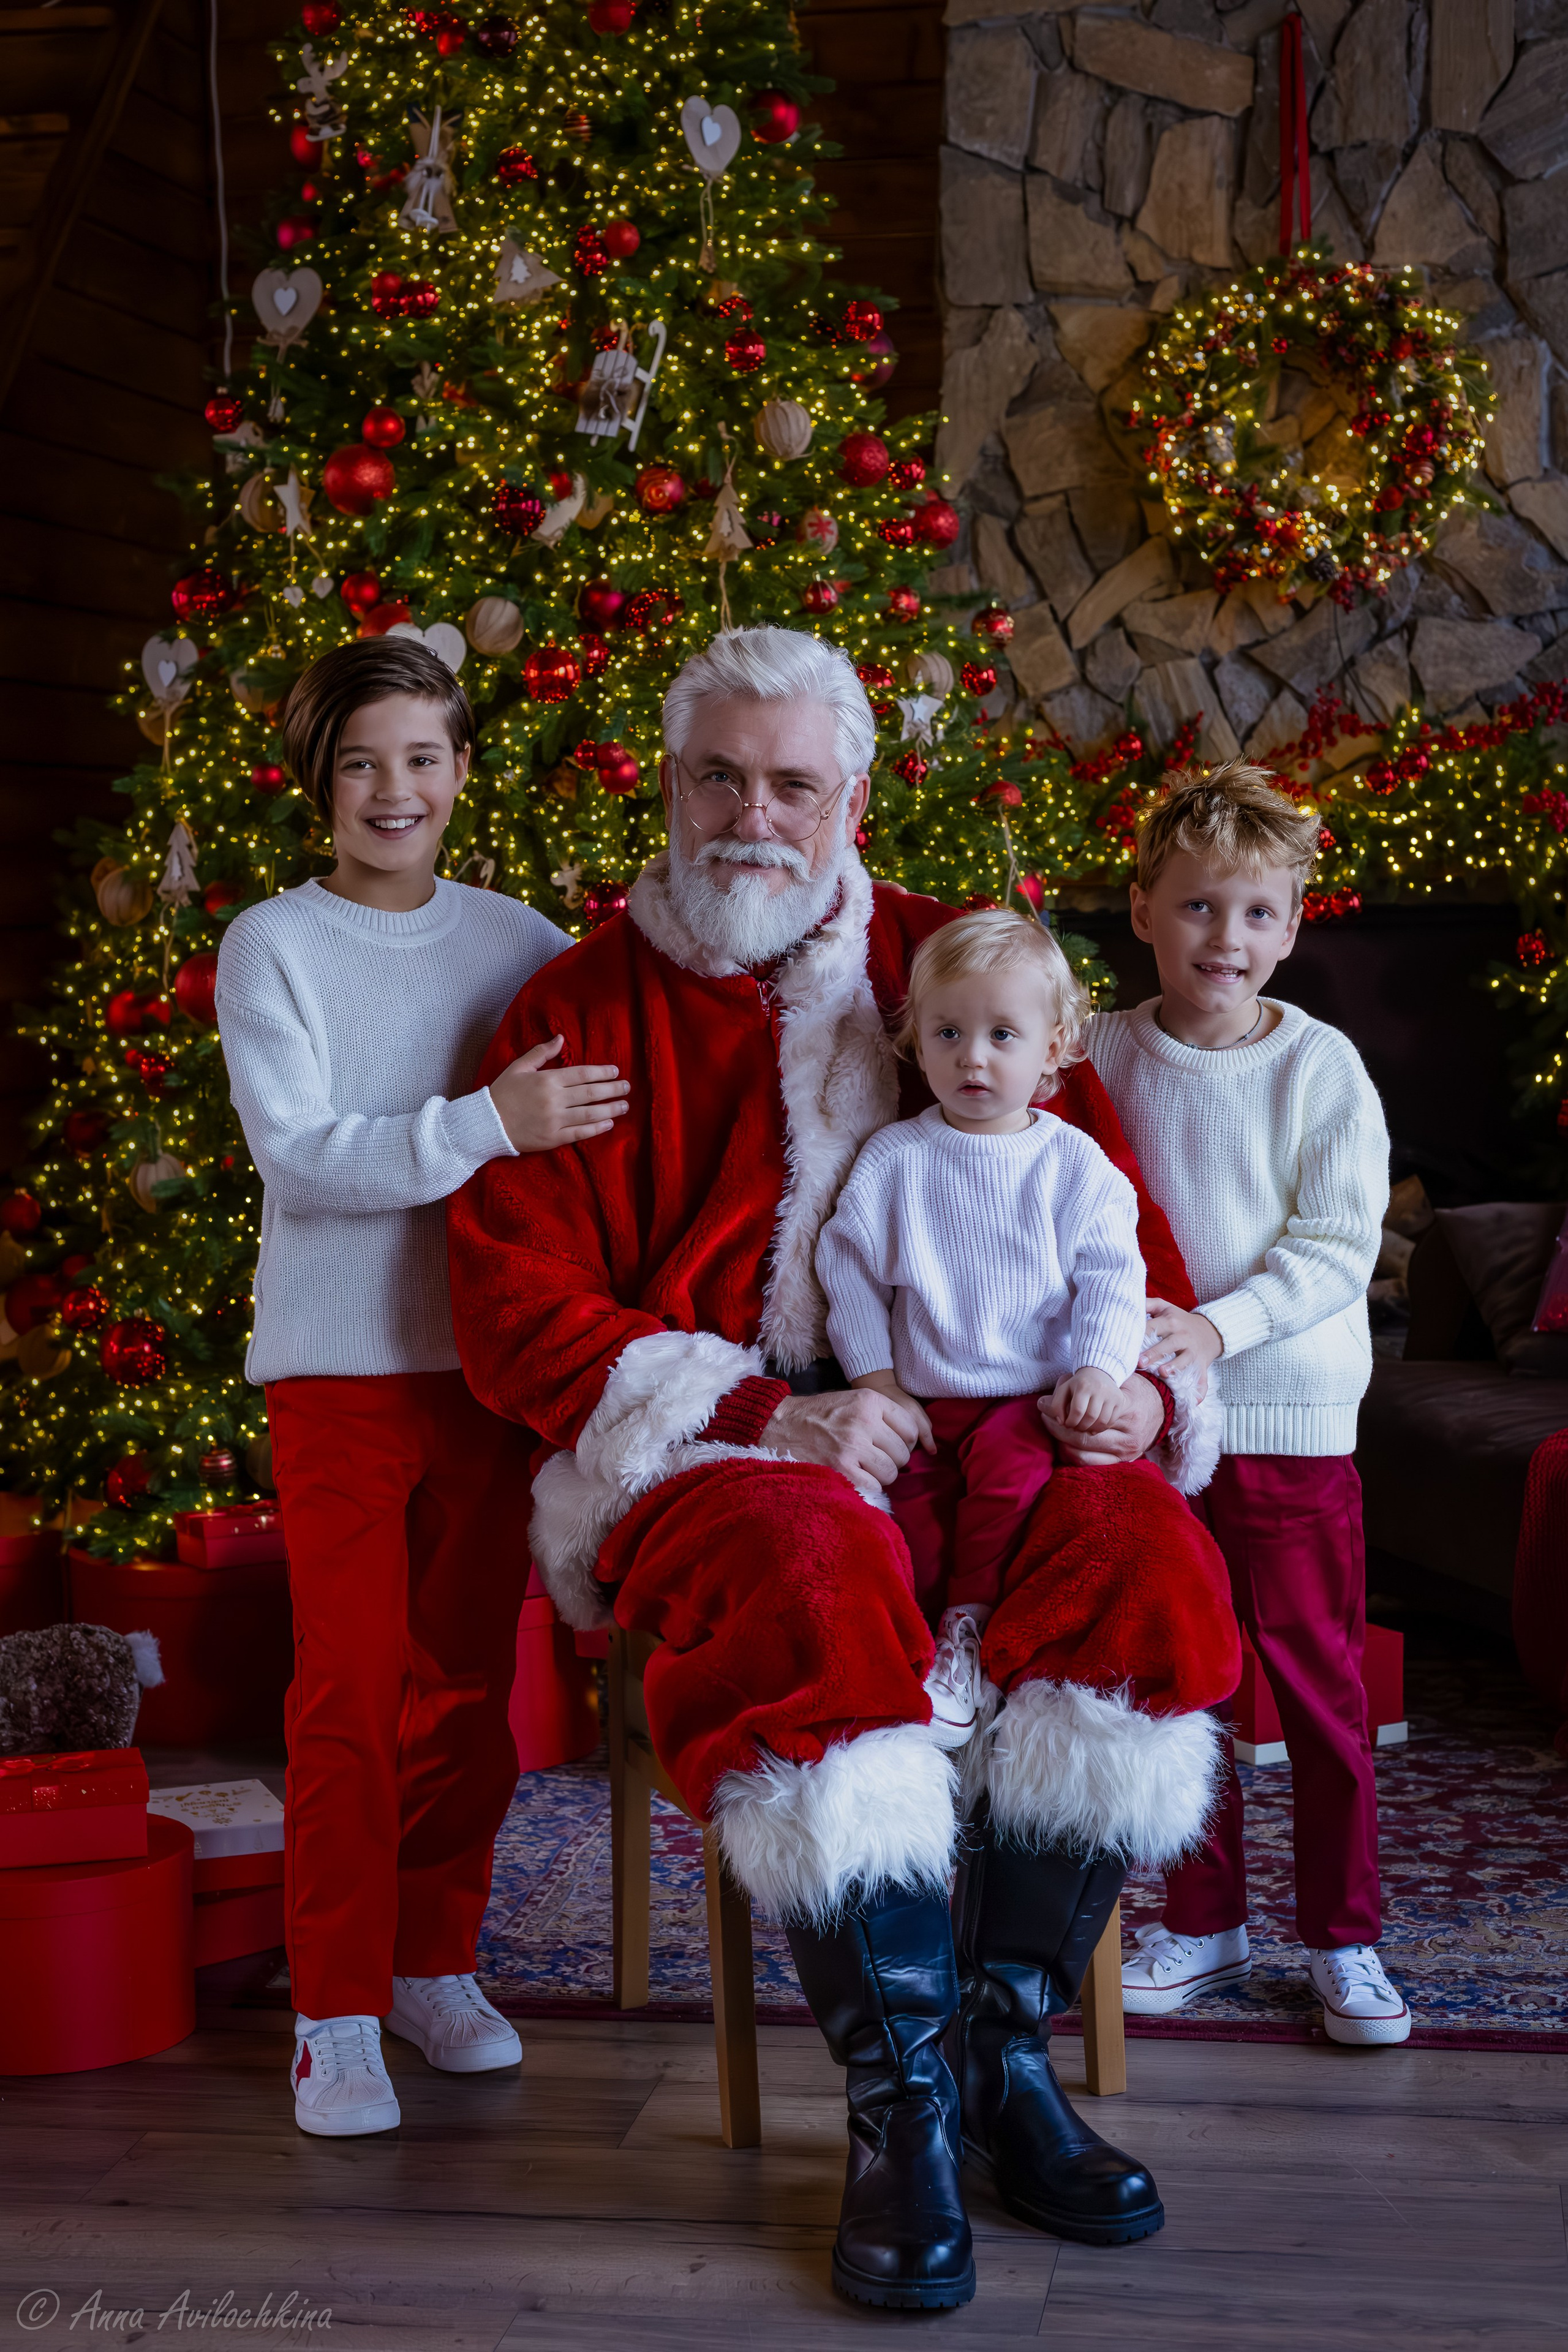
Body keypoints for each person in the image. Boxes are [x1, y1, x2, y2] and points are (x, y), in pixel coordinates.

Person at [448, 625, 1241, 2313]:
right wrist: (756, 1408)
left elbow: (1124, 1237)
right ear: (667, 782)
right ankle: (899, 2115)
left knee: (1145, 1560)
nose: (754, 814)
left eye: (793, 783)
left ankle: (999, 2055)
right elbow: (515, 1314)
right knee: (815, 1582)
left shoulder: (956, 973)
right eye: (719, 776)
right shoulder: (573, 1006)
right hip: (718, 1445)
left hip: (998, 1430)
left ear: (854, 794)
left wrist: (1146, 1384)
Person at [215, 637, 630, 2138]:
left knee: (466, 1696)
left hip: (485, 1376)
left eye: (422, 758)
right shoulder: (272, 945)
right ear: (319, 781)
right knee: (346, 1692)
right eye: (361, 764)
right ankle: (332, 2011)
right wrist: (483, 1124)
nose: (395, 789)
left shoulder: (516, 941)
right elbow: (304, 1160)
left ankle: (429, 1961)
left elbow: (575, 1135)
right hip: (335, 1378)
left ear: (462, 768)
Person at [1088, 762, 1406, 2047]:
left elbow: (1335, 1246)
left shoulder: (1319, 1070)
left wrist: (1212, 1333)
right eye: (1199, 908)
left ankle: (1343, 1937)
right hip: (1147, 1429)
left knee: (1316, 1684)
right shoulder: (1097, 1051)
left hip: (1283, 1420)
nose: (1228, 940)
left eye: (1258, 914)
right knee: (1181, 1680)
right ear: (1142, 909)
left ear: (1291, 922)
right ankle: (1204, 1920)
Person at [816, 908, 1148, 1745]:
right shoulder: (896, 1158)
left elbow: (1114, 1275)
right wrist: (876, 1379)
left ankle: (975, 1632)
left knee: (1005, 1494)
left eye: (1003, 1035)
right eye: (949, 1033)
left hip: (1026, 1402)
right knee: (909, 1520)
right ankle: (924, 1659)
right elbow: (847, 1269)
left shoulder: (1072, 1164)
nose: (973, 1057)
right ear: (915, 1042)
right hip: (926, 1398)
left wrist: (1102, 1371)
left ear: (1053, 1047)